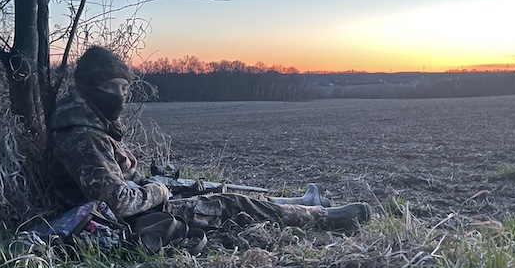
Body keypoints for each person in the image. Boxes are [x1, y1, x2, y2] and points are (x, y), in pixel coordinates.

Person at [47, 46, 371, 251]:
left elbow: (118, 179)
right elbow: (117, 203)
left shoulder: (89, 127)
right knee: (229, 203)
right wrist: (157, 191)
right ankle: (322, 217)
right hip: (124, 226)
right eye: (111, 88)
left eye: (124, 88)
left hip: (130, 214)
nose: (119, 96)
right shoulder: (83, 137)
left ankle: (302, 202)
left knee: (204, 191)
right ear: (91, 89)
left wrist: (141, 178)